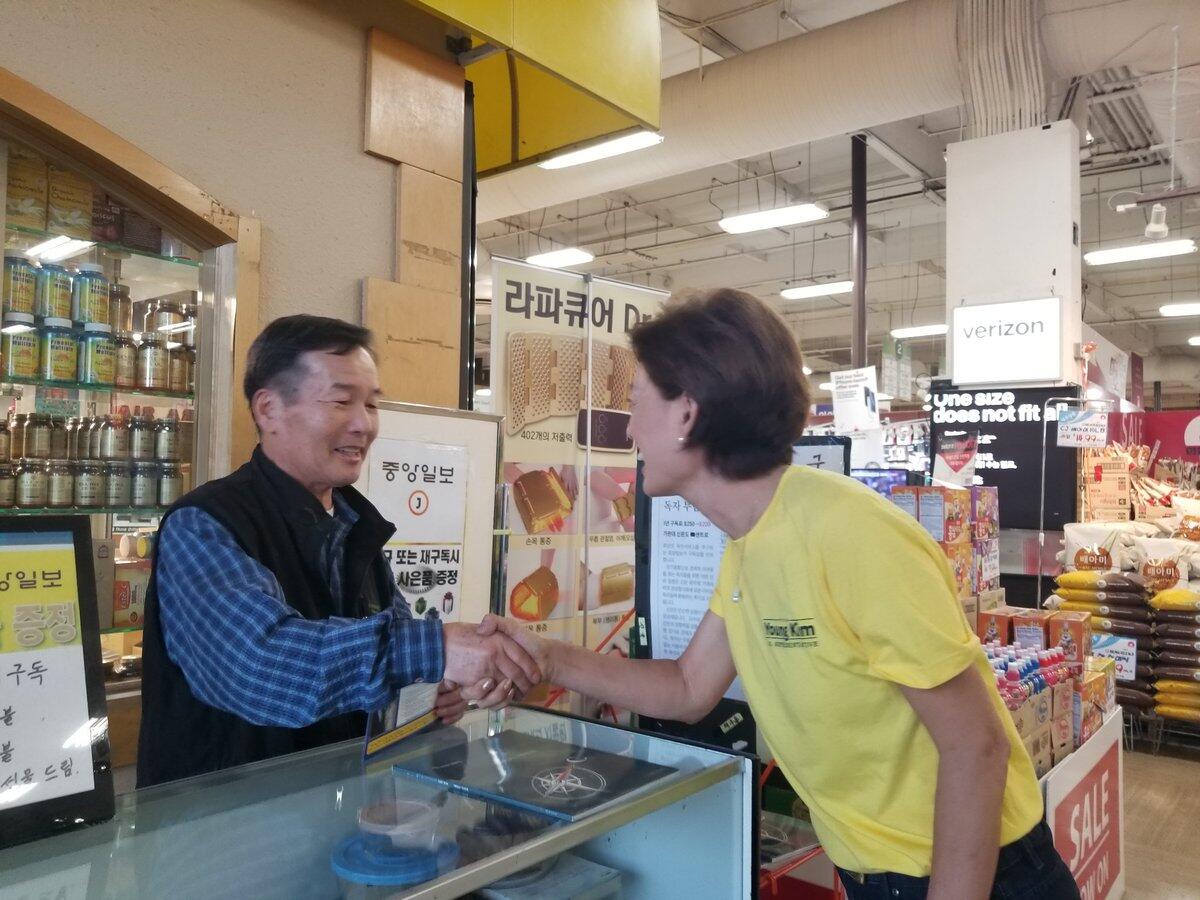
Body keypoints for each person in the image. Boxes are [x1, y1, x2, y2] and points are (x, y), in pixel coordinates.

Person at [479, 289, 1080, 900]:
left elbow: (976, 744)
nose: (629, 428)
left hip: (981, 877)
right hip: (882, 874)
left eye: (635, 404)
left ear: (687, 414)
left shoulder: (850, 533)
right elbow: (688, 688)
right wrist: (548, 656)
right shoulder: (747, 543)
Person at [138, 315, 539, 786]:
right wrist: (438, 648)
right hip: (221, 826)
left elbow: (392, 646)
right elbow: (262, 666)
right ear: (268, 409)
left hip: (340, 812)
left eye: (371, 404)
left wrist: (439, 688)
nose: (363, 424)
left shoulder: (354, 523)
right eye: (342, 401)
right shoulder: (205, 524)